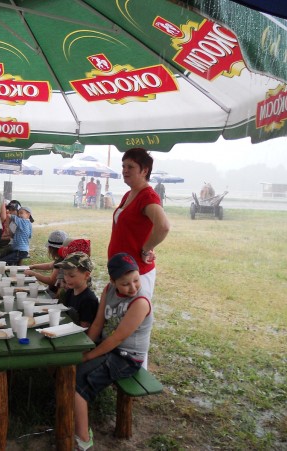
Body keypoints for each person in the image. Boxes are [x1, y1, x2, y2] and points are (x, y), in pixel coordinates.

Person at [74, 253, 153, 451]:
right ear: (113, 281)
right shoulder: (109, 290)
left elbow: (118, 338)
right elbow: (98, 322)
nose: (133, 287)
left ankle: (83, 439)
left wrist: (88, 356)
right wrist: (85, 347)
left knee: (74, 382)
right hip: (109, 347)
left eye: (136, 280)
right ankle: (69, 414)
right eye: (125, 284)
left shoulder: (140, 302)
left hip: (126, 358)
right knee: (68, 366)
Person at [107, 148, 170, 300]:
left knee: (134, 319)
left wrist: (146, 250)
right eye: (123, 166)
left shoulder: (147, 196)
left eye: (130, 167)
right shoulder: (130, 194)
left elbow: (163, 226)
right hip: (121, 271)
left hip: (136, 274)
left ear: (144, 171)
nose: (124, 170)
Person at [54, 252, 98, 328]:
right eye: (64, 274)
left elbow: (84, 329)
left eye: (72, 275)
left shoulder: (88, 300)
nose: (67, 278)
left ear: (86, 275)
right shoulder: (69, 292)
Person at [24, 229, 68, 297]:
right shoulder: (63, 258)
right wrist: (33, 266)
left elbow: (51, 281)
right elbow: (49, 265)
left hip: (54, 294)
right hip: (53, 291)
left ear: (51, 249)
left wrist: (34, 274)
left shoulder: (61, 262)